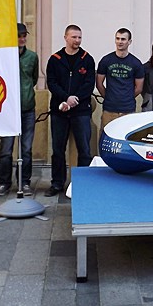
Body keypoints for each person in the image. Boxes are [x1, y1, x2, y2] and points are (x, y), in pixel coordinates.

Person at [45, 24, 95, 197]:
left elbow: (89, 84)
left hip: (81, 111)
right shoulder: (55, 59)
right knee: (58, 150)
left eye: (79, 37)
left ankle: (82, 184)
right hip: (59, 111)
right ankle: (57, 183)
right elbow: (52, 83)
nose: (77, 40)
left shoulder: (87, 59)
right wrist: (66, 98)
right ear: (65, 37)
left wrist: (75, 100)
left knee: (84, 149)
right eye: (74, 37)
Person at [0, 23, 39, 197]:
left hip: (27, 109)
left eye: (24, 35)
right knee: (6, 149)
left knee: (26, 149)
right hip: (8, 109)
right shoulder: (4, 57)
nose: (22, 39)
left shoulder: (32, 57)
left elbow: (33, 79)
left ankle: (24, 181)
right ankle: (3, 183)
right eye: (18, 36)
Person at [96, 28, 145, 129]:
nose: (120, 42)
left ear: (129, 42)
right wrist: (109, 97)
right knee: (106, 136)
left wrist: (127, 97)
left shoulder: (136, 63)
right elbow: (99, 84)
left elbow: (139, 88)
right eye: (117, 38)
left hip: (128, 110)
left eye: (123, 39)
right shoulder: (106, 60)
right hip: (109, 110)